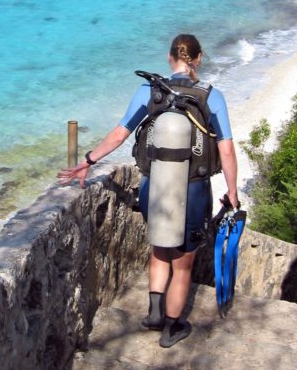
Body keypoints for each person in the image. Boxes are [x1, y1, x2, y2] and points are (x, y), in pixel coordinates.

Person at [57, 33, 239, 348]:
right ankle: (172, 328)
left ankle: (154, 314)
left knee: (159, 248)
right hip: (193, 190)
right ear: (198, 59)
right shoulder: (212, 97)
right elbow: (226, 150)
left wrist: (86, 160)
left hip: (151, 185)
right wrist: (232, 192)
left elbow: (119, 134)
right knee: (183, 263)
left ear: (170, 58)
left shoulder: (149, 91)